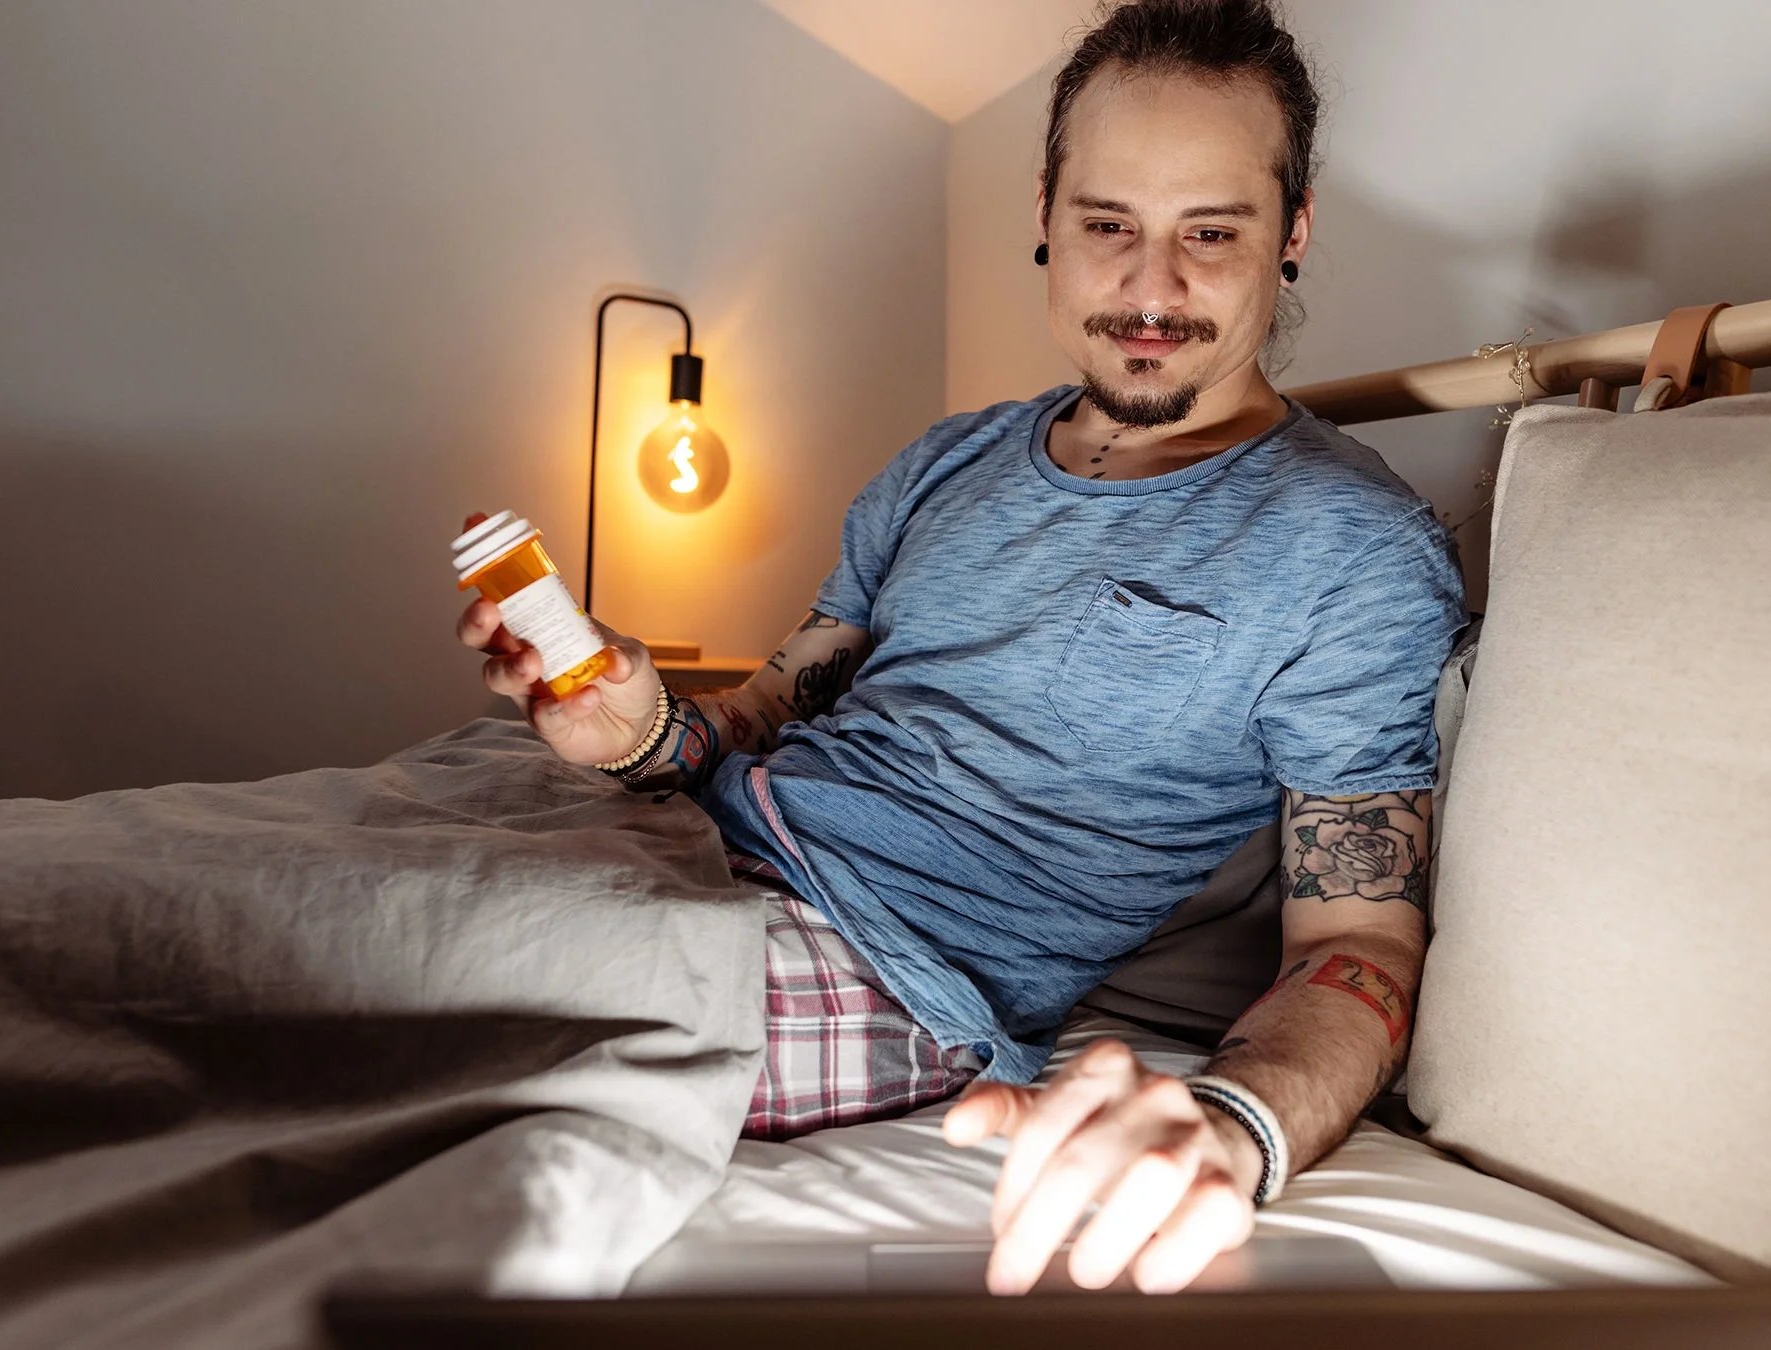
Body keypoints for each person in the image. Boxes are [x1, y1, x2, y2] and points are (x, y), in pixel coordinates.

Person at [458, 0, 1463, 1298]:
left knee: (335, 969)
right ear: (1046, 214)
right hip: (684, 835)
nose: (1152, 290)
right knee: (256, 884)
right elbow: (762, 710)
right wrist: (638, 729)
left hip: (875, 960)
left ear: (1294, 230)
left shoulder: (1353, 547)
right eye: (1108, 226)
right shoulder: (949, 459)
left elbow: (1362, 938)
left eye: (1211, 233)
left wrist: (1234, 1124)